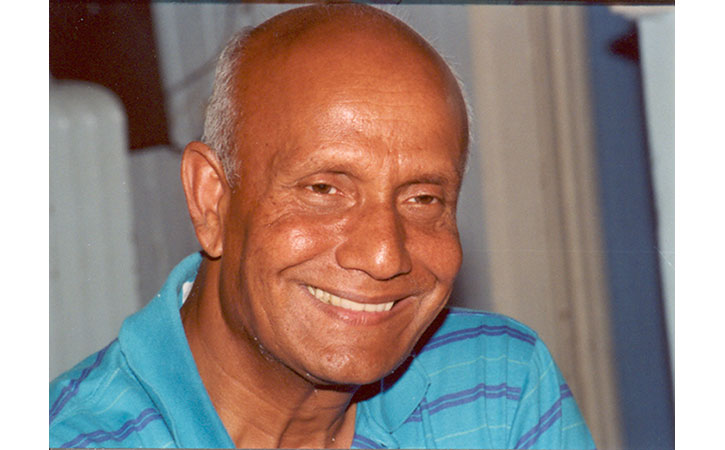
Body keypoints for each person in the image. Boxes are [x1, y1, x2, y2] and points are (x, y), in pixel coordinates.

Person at [50, 4, 595, 449]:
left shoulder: (498, 384)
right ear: (210, 199)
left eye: (423, 198)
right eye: (324, 189)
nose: (384, 255)